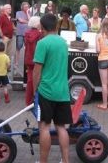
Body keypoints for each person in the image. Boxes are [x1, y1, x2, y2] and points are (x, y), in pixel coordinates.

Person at [33, 14, 72, 163]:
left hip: (46, 91)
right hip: (63, 92)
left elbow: (37, 71)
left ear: (42, 27)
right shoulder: (63, 42)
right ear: (56, 26)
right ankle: (66, 161)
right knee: (61, 127)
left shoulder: (42, 43)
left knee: (44, 127)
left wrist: (35, 89)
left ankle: (43, 162)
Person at [23, 16, 42, 106]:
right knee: (36, 79)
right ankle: (35, 99)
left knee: (30, 80)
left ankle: (28, 101)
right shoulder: (39, 35)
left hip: (28, 59)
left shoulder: (27, 33)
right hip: (36, 59)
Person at [15, 2, 31, 69]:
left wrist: (27, 13)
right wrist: (27, 21)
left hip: (27, 33)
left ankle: (27, 62)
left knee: (28, 48)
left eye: (27, 7)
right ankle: (16, 62)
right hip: (20, 33)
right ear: (22, 7)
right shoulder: (18, 12)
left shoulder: (30, 13)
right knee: (18, 47)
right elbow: (20, 20)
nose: (26, 8)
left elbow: (30, 21)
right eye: (25, 7)